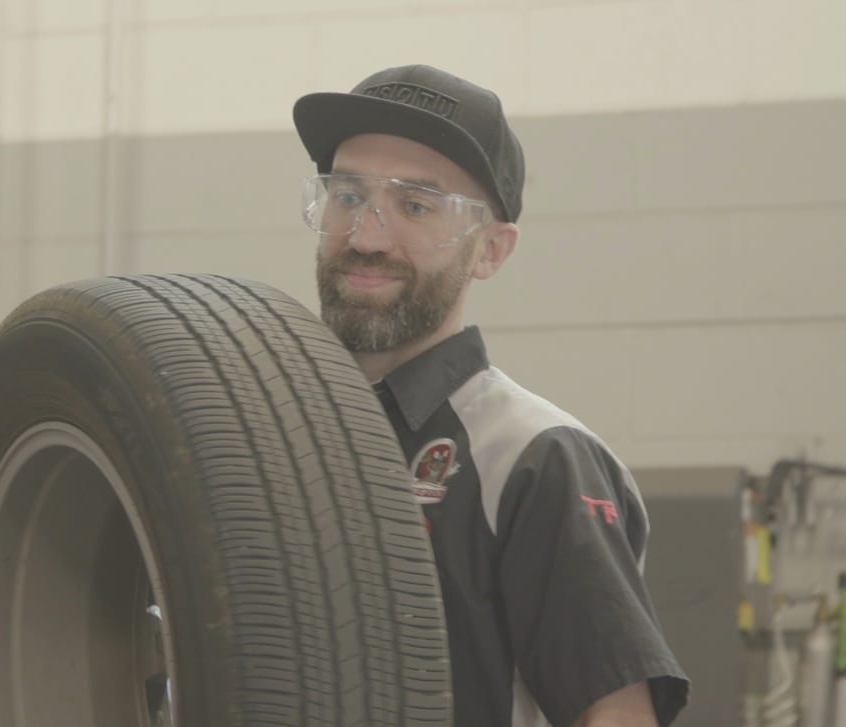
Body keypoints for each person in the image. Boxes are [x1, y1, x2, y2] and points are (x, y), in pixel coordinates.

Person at [292, 64, 690, 726]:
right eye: (348, 195)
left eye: (415, 205)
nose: (365, 235)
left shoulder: (536, 457)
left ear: (490, 251)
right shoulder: (276, 440)